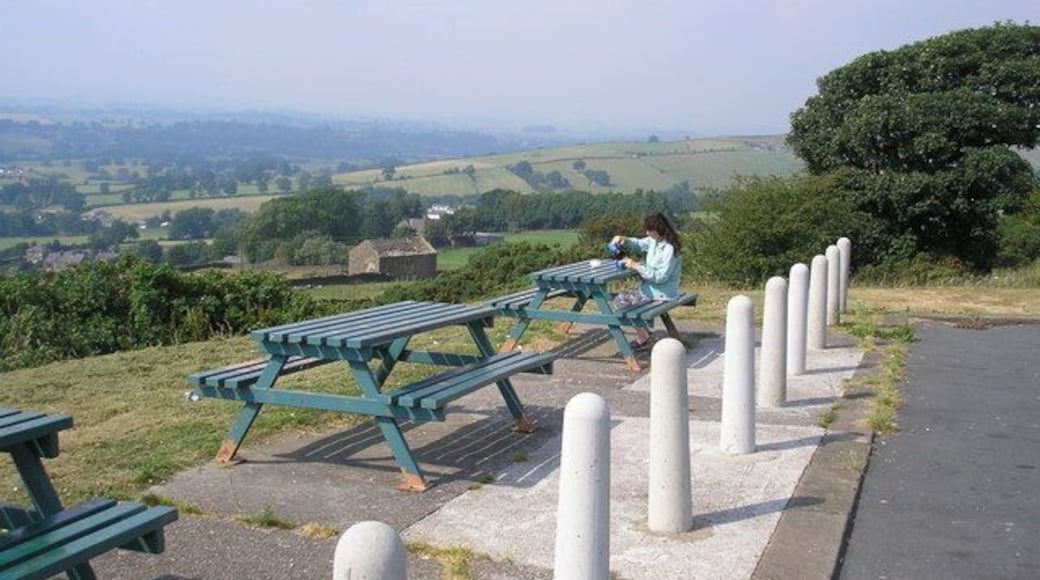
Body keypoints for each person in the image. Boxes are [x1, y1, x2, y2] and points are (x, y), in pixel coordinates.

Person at [610, 212, 683, 349]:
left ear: (658, 229)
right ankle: (644, 334)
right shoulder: (655, 240)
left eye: (650, 230)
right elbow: (638, 243)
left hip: (662, 293)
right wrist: (623, 239)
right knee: (624, 298)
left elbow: (660, 277)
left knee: (620, 301)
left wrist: (636, 266)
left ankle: (643, 336)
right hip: (651, 290)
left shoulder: (669, 249)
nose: (647, 233)